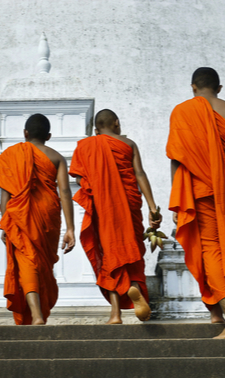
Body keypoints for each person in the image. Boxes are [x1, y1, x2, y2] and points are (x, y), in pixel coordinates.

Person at [167, 67, 225, 339]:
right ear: (219, 88)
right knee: (222, 247)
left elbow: (177, 157)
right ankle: (216, 312)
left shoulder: (183, 111)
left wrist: (177, 198)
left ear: (193, 87)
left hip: (201, 189)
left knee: (210, 250)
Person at [69, 109, 161, 324]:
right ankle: (135, 286)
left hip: (103, 208)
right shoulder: (128, 144)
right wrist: (152, 207)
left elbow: (80, 181)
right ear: (117, 123)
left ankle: (115, 314)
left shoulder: (86, 146)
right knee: (131, 251)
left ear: (95, 130)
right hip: (129, 205)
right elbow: (139, 174)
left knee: (108, 254)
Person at [0, 113, 75, 325]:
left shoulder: (12, 155)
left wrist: (7, 225)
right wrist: (70, 229)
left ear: (25, 133)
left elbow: (5, 199)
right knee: (41, 263)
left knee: (27, 261)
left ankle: (36, 315)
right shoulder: (56, 157)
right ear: (49, 136)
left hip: (20, 216)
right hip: (48, 215)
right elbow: (64, 192)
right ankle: (38, 314)